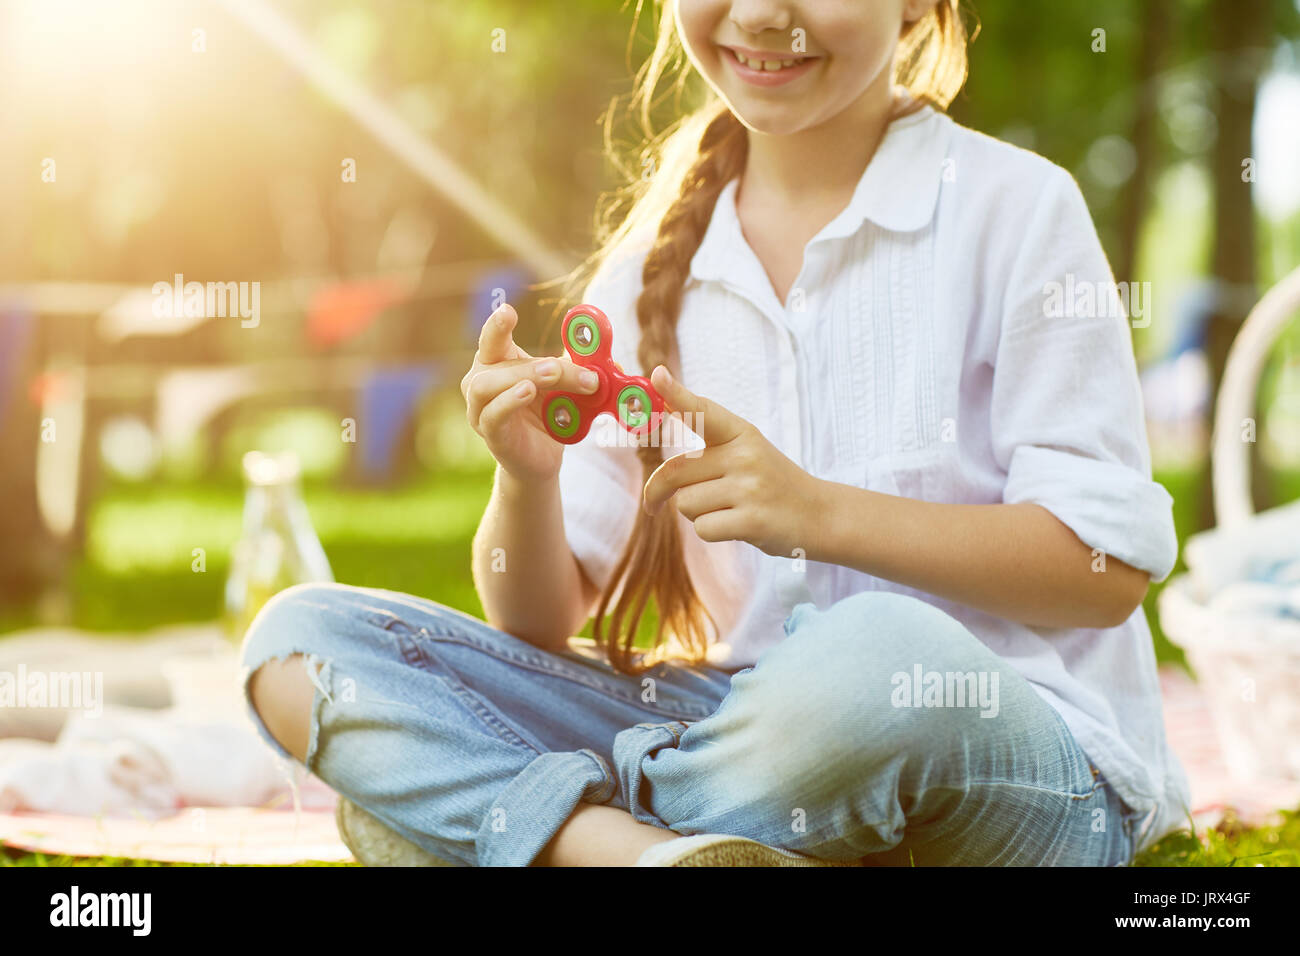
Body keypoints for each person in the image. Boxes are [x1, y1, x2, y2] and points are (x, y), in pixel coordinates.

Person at [241, 0, 1190, 866]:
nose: (764, 13)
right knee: (303, 639)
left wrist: (818, 512)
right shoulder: (650, 266)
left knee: (880, 661)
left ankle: (549, 834)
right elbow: (537, 623)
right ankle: (651, 856)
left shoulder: (1016, 210)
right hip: (731, 734)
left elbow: (1103, 576)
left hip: (1008, 759)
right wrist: (525, 482)